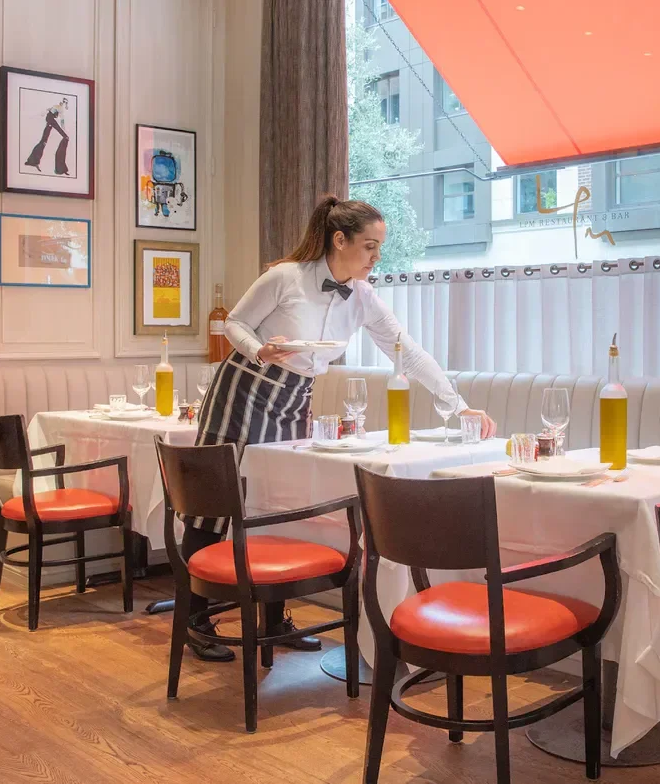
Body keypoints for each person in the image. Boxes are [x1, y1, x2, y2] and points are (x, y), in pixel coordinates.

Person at [183, 196, 496, 661]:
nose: (376, 257)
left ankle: (275, 621)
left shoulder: (363, 296)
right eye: (370, 246)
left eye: (379, 248)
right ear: (339, 240)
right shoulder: (286, 277)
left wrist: (460, 405)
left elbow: (408, 353)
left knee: (280, 503)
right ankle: (195, 621)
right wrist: (259, 350)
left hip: (295, 396)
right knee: (213, 507)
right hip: (245, 387)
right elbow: (235, 323)